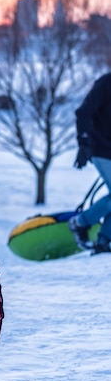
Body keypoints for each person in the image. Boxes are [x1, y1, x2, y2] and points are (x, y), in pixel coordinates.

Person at [68, 71, 111, 254]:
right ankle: (79, 223)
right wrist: (84, 143)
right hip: (101, 148)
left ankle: (103, 240)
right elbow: (83, 112)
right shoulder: (106, 83)